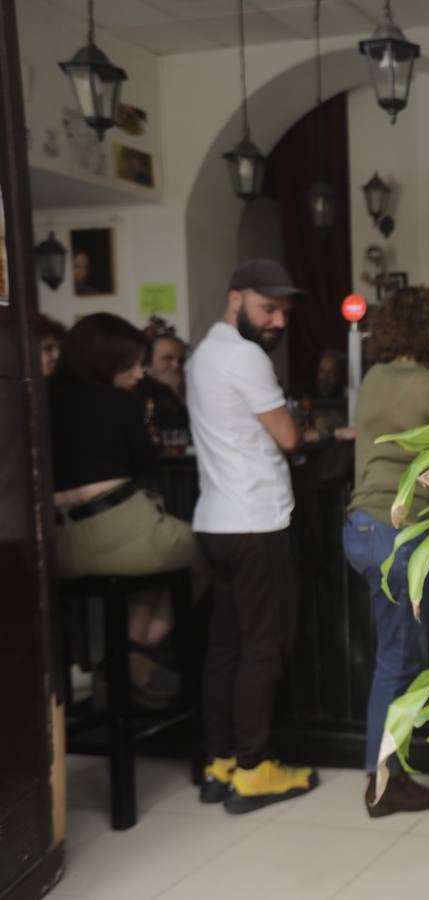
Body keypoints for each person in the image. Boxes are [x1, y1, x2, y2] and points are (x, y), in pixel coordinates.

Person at [343, 286, 429, 816]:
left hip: (361, 527)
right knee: (400, 662)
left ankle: (386, 773)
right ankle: (383, 784)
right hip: (398, 537)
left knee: (395, 656)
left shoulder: (376, 379)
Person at [187, 258, 318, 813]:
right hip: (257, 521)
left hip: (214, 519)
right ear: (235, 297)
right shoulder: (246, 357)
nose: (278, 321)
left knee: (225, 647)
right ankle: (254, 770)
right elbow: (288, 436)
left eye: (284, 312)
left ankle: (218, 762)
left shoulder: (202, 355)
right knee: (263, 647)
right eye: (269, 309)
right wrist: (323, 430)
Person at [48, 313, 196, 708]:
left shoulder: (41, 396)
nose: (138, 373)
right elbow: (145, 461)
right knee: (212, 550)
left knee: (154, 567)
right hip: (118, 528)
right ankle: (131, 651)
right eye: (130, 364)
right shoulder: (117, 401)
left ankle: (121, 659)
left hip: (60, 544)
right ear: (103, 362)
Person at [136, 332, 191, 438]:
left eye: (181, 360)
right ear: (148, 361)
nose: (176, 365)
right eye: (167, 358)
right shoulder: (141, 391)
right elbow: (149, 425)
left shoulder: (189, 389)